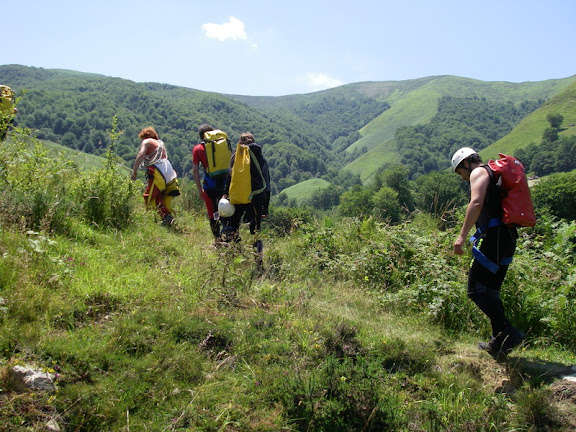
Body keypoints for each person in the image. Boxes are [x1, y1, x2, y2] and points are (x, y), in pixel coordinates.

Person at [451, 147, 524, 359]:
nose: (463, 178)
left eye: (460, 172)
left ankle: (508, 331)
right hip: (507, 238)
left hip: (495, 237)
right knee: (490, 291)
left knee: (475, 289)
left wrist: (462, 236)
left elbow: (476, 202)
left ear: (465, 163)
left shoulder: (478, 172)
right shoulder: (493, 174)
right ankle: (498, 341)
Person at [221, 132, 270, 264]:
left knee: (233, 225)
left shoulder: (236, 156)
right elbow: (266, 182)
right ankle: (258, 262)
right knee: (255, 231)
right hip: (256, 198)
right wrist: (266, 207)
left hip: (237, 197)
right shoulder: (259, 158)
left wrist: (225, 194)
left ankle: (233, 256)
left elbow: (229, 178)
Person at [131, 127, 180, 226]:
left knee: (150, 195)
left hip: (158, 171)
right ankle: (164, 217)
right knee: (161, 196)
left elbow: (141, 154)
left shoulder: (147, 141)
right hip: (168, 170)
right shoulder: (160, 143)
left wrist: (134, 170)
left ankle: (166, 218)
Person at [192, 124, 229, 238]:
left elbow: (195, 170)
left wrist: (199, 190)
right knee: (226, 211)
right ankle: (229, 237)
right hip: (226, 185)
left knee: (213, 214)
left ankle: (217, 240)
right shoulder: (222, 145)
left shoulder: (198, 149)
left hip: (210, 185)